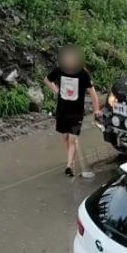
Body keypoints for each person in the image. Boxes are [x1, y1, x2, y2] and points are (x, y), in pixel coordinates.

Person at [44, 46, 101, 177]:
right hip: (62, 110)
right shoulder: (60, 71)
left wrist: (96, 109)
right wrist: (56, 91)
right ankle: (71, 160)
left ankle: (69, 165)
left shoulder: (83, 74)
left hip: (77, 112)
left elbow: (92, 93)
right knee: (65, 138)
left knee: (72, 139)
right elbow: (47, 79)